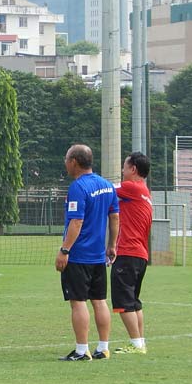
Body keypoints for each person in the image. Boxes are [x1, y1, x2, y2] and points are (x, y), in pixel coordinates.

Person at [56, 144, 119, 361]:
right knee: (100, 300)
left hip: (79, 255)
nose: (65, 163)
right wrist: (111, 245)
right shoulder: (107, 185)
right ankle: (103, 348)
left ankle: (82, 351)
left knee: (78, 301)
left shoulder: (78, 187)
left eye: (66, 159)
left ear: (74, 161)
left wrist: (65, 250)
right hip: (98, 256)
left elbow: (76, 221)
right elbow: (115, 217)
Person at [111, 152, 152, 355]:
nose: (122, 170)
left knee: (123, 301)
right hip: (140, 255)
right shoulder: (144, 191)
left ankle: (136, 344)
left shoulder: (130, 188)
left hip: (127, 252)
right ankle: (140, 342)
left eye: (124, 166)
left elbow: (104, 190)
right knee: (134, 301)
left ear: (133, 169)